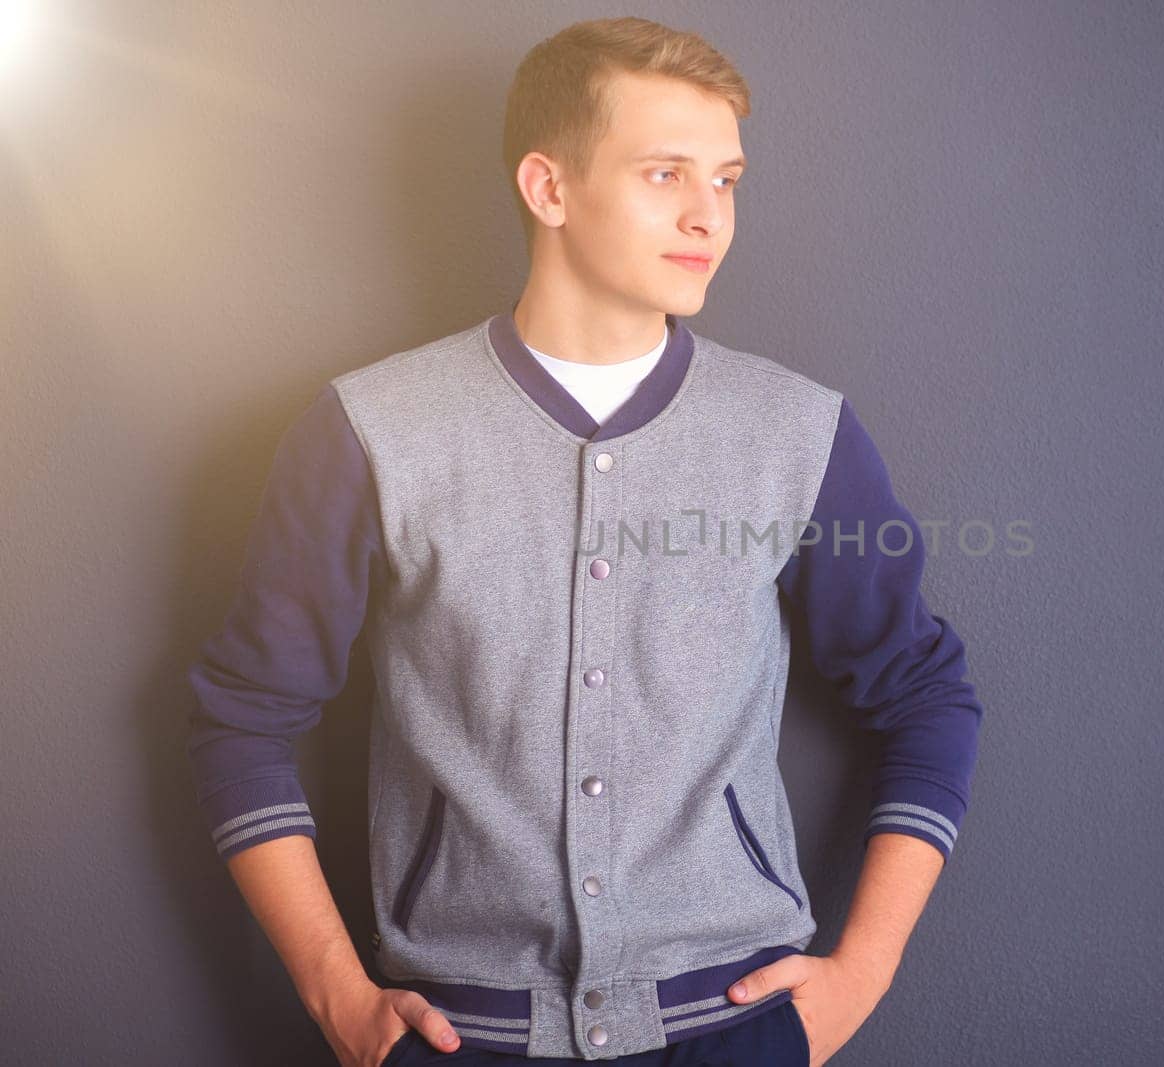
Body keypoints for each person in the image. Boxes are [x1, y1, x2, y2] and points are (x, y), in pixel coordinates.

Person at [184, 16, 983, 1067]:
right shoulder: (370, 431)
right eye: (666, 173)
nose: (710, 215)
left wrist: (860, 975)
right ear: (548, 189)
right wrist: (339, 996)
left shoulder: (799, 435)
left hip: (735, 1027)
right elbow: (241, 714)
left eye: (728, 179)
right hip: (460, 1033)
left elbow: (926, 693)